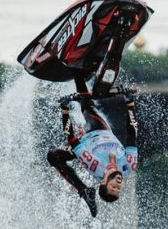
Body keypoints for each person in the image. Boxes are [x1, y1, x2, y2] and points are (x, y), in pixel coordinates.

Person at [47, 76, 138, 218]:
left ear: (103, 181)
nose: (118, 185)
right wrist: (130, 102)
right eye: (118, 189)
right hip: (101, 129)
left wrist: (65, 110)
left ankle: (83, 191)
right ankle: (80, 71)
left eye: (113, 187)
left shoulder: (95, 165)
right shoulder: (129, 165)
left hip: (84, 137)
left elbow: (71, 139)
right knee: (87, 103)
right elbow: (132, 133)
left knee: (53, 156)